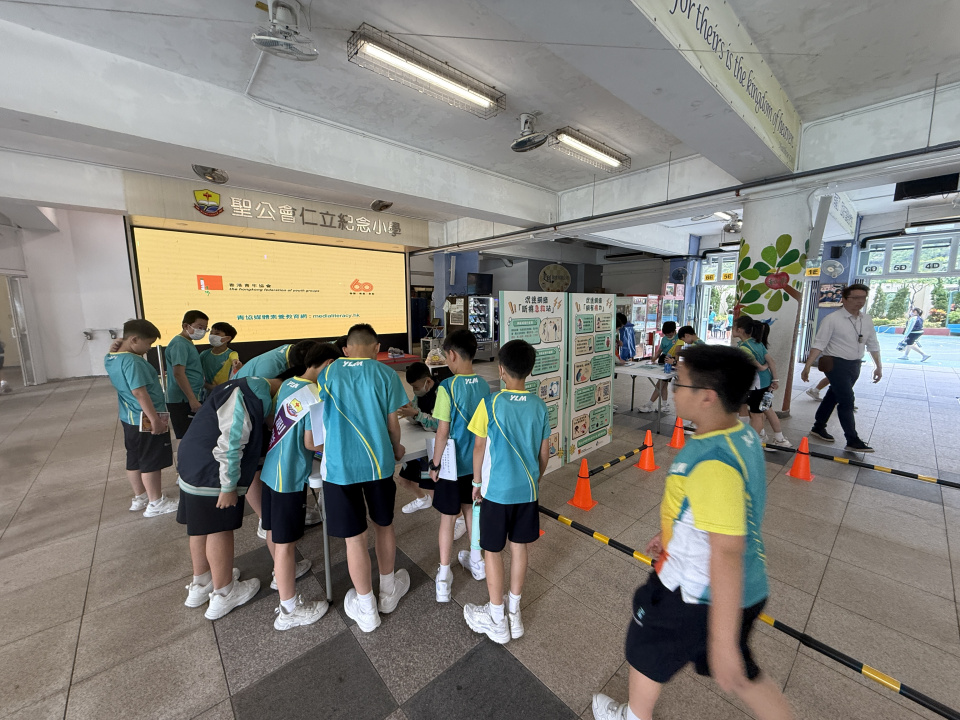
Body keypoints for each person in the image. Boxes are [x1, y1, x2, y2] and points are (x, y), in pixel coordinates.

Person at [592, 344, 792, 720]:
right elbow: (718, 516)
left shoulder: (712, 463)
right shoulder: (741, 434)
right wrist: (671, 534)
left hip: (695, 591)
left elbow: (726, 550)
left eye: (680, 383)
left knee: (645, 649)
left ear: (707, 397)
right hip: (744, 584)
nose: (673, 388)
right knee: (743, 675)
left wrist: (722, 638)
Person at [319, 323, 409, 632]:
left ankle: (367, 607)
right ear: (376, 347)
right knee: (384, 525)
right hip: (377, 465)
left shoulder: (328, 373)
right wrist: (396, 447)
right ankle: (388, 591)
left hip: (339, 467)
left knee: (354, 538)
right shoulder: (385, 374)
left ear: (346, 349)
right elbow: (393, 423)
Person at [462, 339, 550, 643]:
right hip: (527, 492)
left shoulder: (490, 403)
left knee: (492, 550)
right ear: (529, 370)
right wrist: (533, 481)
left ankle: (497, 618)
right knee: (519, 547)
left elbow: (478, 448)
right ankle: (515, 612)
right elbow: (544, 454)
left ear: (500, 369)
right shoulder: (539, 406)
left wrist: (476, 483)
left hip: (496, 493)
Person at [177, 374, 282, 619]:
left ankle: (201, 583)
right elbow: (230, 443)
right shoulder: (251, 397)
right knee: (219, 529)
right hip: (213, 470)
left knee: (200, 527)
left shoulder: (240, 384)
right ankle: (224, 592)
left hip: (192, 461)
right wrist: (228, 486)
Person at [261, 343, 341, 630]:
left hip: (271, 469)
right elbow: (311, 443)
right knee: (286, 542)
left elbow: (275, 421)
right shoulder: (315, 395)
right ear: (327, 364)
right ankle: (289, 609)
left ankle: (280, 573)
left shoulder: (289, 384)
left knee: (272, 530)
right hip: (290, 476)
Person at [429, 329, 491, 602]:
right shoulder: (484, 385)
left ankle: (444, 576)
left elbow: (442, 431)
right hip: (475, 465)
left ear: (452, 355)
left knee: (447, 518)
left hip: (451, 466)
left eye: (446, 357)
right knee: (471, 511)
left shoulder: (447, 387)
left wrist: (434, 464)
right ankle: (477, 561)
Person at [104, 319, 177, 517]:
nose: (149, 348)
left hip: (129, 418)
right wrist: (154, 420)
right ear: (134, 339)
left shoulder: (111, 357)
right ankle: (156, 502)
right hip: (145, 417)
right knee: (151, 460)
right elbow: (139, 392)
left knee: (135, 458)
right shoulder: (133, 362)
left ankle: (141, 497)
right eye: (149, 343)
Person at [801, 283, 881, 453]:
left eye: (863, 298)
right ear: (844, 299)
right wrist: (807, 366)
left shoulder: (866, 319)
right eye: (856, 298)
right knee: (847, 400)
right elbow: (819, 344)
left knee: (833, 395)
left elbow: (873, 344)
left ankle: (818, 427)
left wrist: (878, 366)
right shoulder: (832, 319)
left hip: (855, 365)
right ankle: (852, 439)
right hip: (835, 364)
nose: (860, 301)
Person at [731, 317, 791, 449]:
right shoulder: (757, 343)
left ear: (740, 330)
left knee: (756, 415)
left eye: (733, 327)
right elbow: (771, 362)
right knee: (766, 410)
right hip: (764, 383)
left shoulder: (744, 347)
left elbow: (758, 366)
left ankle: (750, 442)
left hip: (756, 385)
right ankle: (777, 438)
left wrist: (762, 367)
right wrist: (775, 379)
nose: (732, 330)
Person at [396, 362, 441, 514]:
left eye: (416, 387)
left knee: (432, 487)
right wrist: (409, 412)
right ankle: (422, 499)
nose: (414, 390)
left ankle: (457, 518)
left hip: (433, 448)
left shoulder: (441, 393)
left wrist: (416, 414)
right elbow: (416, 417)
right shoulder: (419, 395)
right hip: (419, 442)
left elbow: (438, 424)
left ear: (428, 381)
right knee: (403, 480)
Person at [165, 310, 208, 440]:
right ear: (186, 326)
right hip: (183, 400)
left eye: (205, 328)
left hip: (190, 397)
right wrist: (192, 399)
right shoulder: (179, 344)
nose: (202, 331)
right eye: (200, 327)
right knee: (188, 437)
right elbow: (178, 373)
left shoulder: (186, 342)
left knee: (195, 435)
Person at [639, 322, 677, 414]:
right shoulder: (664, 339)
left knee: (661, 383)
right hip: (663, 359)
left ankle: (649, 404)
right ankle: (665, 405)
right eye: (666, 334)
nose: (668, 336)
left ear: (674, 331)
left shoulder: (679, 338)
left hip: (671, 361)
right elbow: (659, 351)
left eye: (670, 334)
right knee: (663, 384)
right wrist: (654, 358)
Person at [199, 322, 239, 391]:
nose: (212, 336)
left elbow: (235, 360)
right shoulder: (204, 354)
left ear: (227, 338)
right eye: (211, 333)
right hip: (207, 392)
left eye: (217, 333)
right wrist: (207, 385)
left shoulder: (232, 354)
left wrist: (237, 365)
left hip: (225, 391)